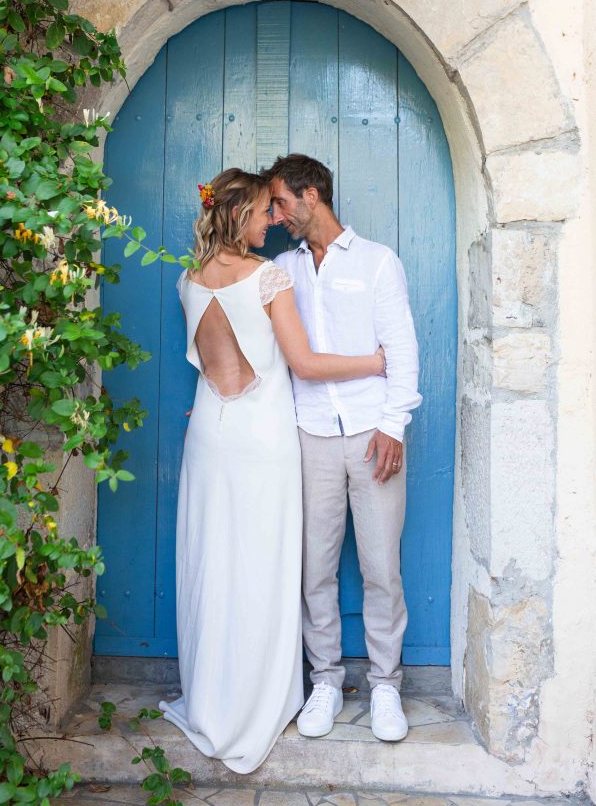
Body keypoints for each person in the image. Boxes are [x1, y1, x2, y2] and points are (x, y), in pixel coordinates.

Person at [158, 168, 386, 774]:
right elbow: (305, 364)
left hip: (208, 431)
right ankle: (259, 702)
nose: (272, 222)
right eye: (263, 212)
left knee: (214, 563)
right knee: (261, 566)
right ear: (239, 216)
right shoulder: (268, 277)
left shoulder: (188, 280)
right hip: (263, 439)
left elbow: (211, 364)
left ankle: (213, 698)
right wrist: (376, 360)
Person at [264, 153, 422, 743]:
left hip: (370, 433)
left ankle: (385, 685)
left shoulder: (378, 262)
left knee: (382, 567)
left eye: (280, 202)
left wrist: (394, 425)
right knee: (315, 568)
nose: (275, 215)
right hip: (309, 434)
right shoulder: (282, 269)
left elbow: (401, 350)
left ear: (311, 196)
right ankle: (325, 680)